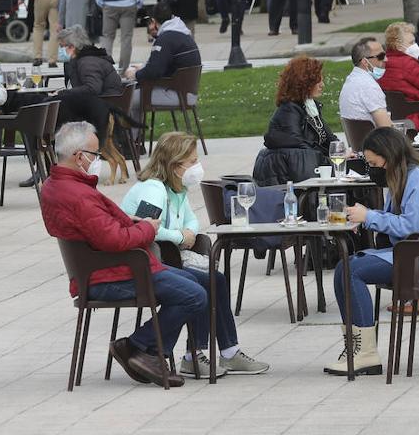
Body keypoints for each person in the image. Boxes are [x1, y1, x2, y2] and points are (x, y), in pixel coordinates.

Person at [41, 121, 266, 385]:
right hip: (112, 274)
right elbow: (114, 239)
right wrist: (146, 228)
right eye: (96, 154)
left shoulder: (61, 186)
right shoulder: (79, 194)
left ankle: (154, 353)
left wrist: (134, 224)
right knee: (194, 294)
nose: (98, 160)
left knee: (197, 284)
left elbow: (106, 231)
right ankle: (137, 347)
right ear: (79, 157)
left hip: (110, 268)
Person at [117, 130, 269, 378]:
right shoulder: (154, 190)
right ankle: (194, 355)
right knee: (206, 281)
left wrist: (187, 233)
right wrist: (180, 236)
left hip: (166, 257)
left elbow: (192, 220)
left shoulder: (176, 189)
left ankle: (227, 351)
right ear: (175, 165)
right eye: (192, 162)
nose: (197, 167)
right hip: (145, 262)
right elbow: (145, 229)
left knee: (214, 279)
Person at [327, 126, 419, 376]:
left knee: (351, 270)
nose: (378, 170)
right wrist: (364, 218)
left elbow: (412, 225)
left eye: (378, 163)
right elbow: (398, 220)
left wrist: (371, 216)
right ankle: (356, 347)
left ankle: (363, 352)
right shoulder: (404, 177)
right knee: (346, 265)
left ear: (390, 155)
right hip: (414, 252)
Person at [253, 55, 338, 186]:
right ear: (304, 83)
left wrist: (342, 151)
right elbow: (300, 150)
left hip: (309, 171)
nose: (322, 85)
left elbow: (329, 139)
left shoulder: (310, 107)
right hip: (290, 180)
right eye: (318, 81)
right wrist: (330, 158)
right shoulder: (289, 110)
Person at [125, 0, 201, 102]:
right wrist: (143, 67)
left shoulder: (165, 39)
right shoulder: (182, 33)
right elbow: (164, 65)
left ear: (153, 21)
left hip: (177, 95)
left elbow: (154, 72)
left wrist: (135, 75)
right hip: (187, 93)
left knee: (127, 98)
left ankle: (131, 119)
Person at [378, 22, 419, 133]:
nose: (415, 46)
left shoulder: (381, 64)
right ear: (398, 45)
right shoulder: (407, 63)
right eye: (411, 42)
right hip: (417, 118)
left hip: (391, 118)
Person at [338, 37, 393, 128]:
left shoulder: (351, 81)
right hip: (375, 140)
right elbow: (386, 128)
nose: (386, 59)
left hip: (359, 140)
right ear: (365, 62)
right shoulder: (369, 86)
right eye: (381, 56)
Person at [58, 25, 122, 96]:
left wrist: (64, 93)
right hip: (100, 102)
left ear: (72, 47)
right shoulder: (82, 60)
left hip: (105, 103)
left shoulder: (87, 63)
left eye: (61, 46)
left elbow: (92, 88)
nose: (59, 50)